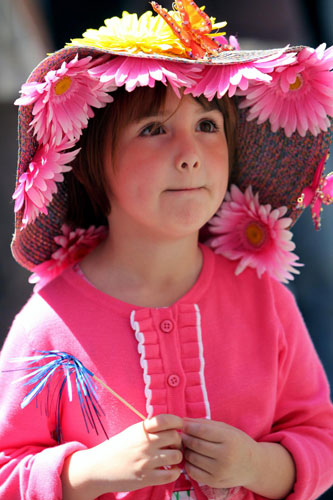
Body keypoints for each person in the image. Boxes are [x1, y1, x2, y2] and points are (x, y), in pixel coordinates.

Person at [0, 1, 333, 499]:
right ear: (91, 162)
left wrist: (256, 464)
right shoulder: (48, 324)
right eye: (154, 129)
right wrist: (88, 473)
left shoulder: (266, 300)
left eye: (207, 126)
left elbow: (321, 440)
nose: (189, 155)